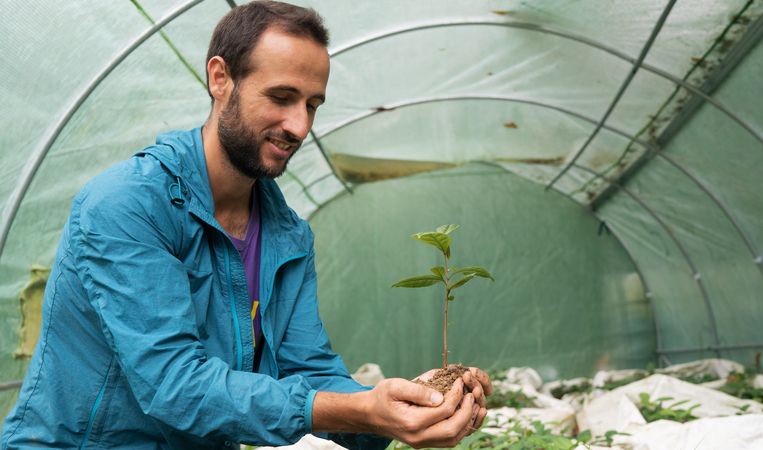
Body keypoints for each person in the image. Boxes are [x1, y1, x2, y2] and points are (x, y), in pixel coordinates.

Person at [1, 2, 491, 449]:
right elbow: (174, 385)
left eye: (313, 105)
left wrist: (407, 405)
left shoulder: (287, 235)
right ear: (221, 78)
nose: (299, 125)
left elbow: (310, 370)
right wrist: (362, 408)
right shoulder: (129, 204)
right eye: (281, 96)